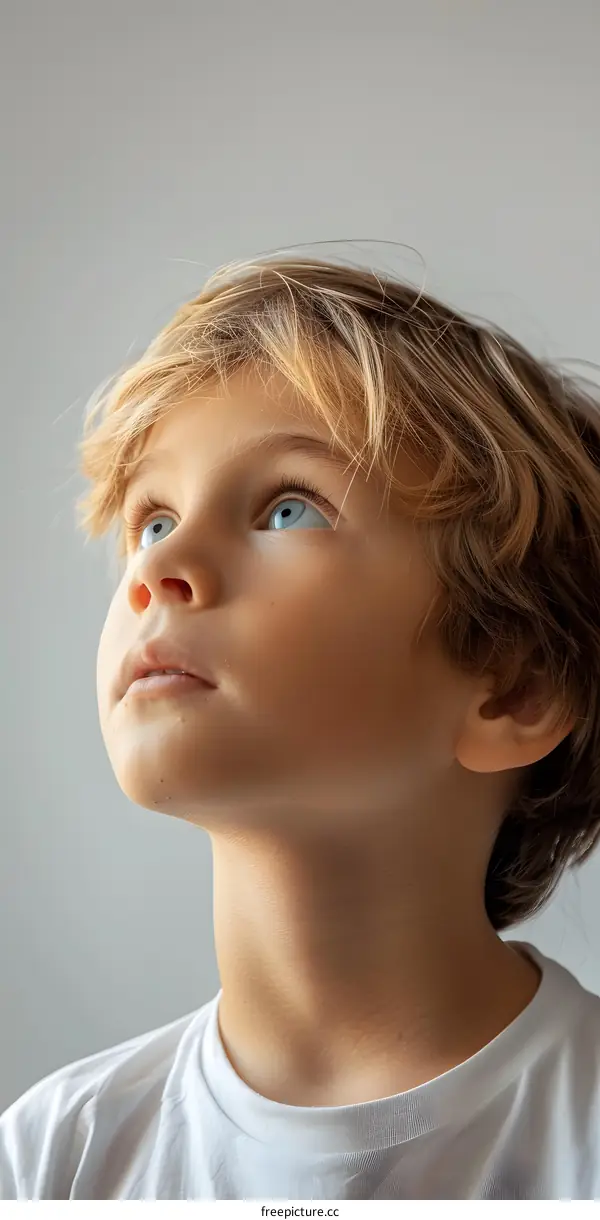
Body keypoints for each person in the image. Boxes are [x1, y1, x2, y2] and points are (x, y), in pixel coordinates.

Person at [3, 255, 600, 1201]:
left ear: (512, 687)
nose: (161, 569)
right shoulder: (52, 1161)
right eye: (152, 521)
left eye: (288, 508)